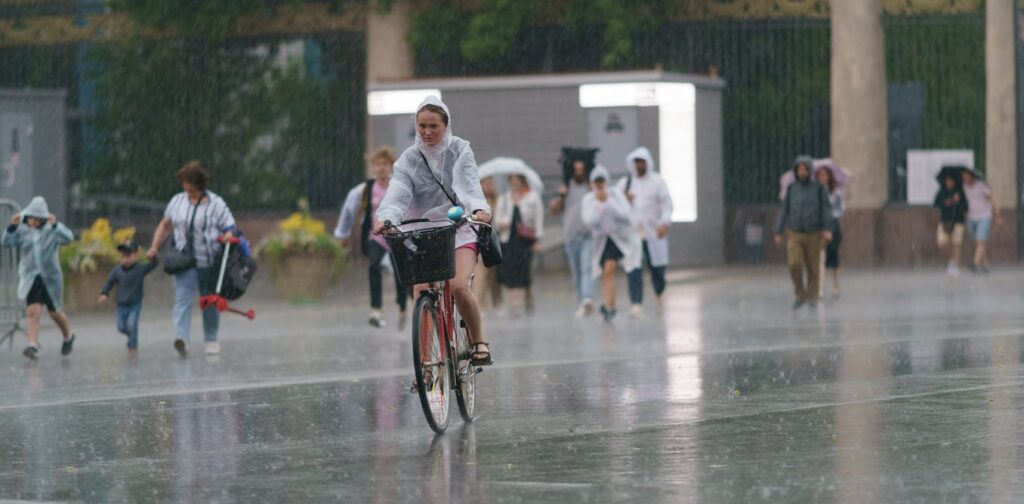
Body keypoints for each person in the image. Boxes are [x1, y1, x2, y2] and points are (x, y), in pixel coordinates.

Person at [374, 96, 493, 366]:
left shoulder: (460, 150)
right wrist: (387, 217)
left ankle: (479, 341)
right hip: (422, 231)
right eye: (422, 126)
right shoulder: (409, 159)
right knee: (421, 291)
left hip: (459, 227)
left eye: (434, 126)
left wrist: (478, 208)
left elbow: (469, 183)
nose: (427, 132)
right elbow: (398, 192)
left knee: (459, 285)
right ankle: (426, 362)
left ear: (446, 125)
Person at [147, 160, 236, 357]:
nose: (184, 185)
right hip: (183, 260)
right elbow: (165, 224)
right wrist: (154, 246)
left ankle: (211, 339)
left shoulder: (216, 203)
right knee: (182, 299)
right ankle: (182, 338)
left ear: (197, 183)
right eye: (183, 181)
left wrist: (229, 234)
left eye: (187, 181)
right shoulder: (177, 201)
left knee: (209, 300)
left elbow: (229, 225)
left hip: (208, 260)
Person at [335, 147, 408, 329]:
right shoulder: (364, 190)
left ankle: (403, 307)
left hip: (396, 235)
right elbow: (349, 212)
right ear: (373, 168)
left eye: (385, 164)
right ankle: (376, 309)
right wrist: (343, 234)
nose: (381, 168)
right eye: (377, 165)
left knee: (401, 274)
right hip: (375, 236)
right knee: (373, 266)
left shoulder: (398, 187)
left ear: (390, 166)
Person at [2, 196, 76, 360]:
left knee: (55, 313)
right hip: (31, 277)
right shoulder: (22, 230)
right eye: (31, 218)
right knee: (32, 311)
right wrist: (12, 227)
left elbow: (69, 238)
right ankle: (33, 345)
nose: (33, 222)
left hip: (50, 278)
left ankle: (67, 337)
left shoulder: (52, 230)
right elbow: (6, 242)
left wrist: (56, 225)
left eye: (38, 219)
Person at [617, 147, 673, 317]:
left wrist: (664, 223)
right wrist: (624, 200)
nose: (639, 166)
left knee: (656, 267)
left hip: (653, 233)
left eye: (642, 162)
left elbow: (667, 205)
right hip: (633, 234)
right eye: (636, 162)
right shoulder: (625, 183)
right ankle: (636, 302)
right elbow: (615, 205)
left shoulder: (657, 182)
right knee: (633, 267)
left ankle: (659, 290)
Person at [582, 166, 641, 323]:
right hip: (601, 240)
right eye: (596, 181)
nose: (599, 184)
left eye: (602, 181)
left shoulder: (615, 195)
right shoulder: (588, 199)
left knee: (609, 268)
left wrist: (607, 201)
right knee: (607, 272)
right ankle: (611, 305)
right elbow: (589, 221)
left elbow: (625, 215)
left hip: (618, 238)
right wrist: (599, 206)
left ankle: (608, 304)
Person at [774, 156, 833, 309]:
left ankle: (812, 296)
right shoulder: (792, 188)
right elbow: (784, 210)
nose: (802, 172)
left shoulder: (819, 188)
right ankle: (799, 294)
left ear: (809, 170)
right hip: (794, 232)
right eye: (799, 169)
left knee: (813, 268)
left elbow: (826, 210)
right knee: (795, 263)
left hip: (813, 233)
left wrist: (827, 228)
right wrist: (778, 230)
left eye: (805, 169)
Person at [550, 158, 595, 317]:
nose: (579, 173)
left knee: (586, 268)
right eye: (576, 170)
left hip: (588, 235)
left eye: (582, 170)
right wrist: (561, 196)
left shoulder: (591, 187)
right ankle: (583, 301)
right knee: (576, 272)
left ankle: (587, 299)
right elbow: (554, 210)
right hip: (570, 236)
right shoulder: (566, 188)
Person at [99, 239, 159, 355]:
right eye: (123, 256)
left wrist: (152, 257)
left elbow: (154, 265)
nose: (125, 259)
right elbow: (109, 282)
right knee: (121, 327)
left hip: (135, 303)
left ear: (135, 256)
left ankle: (132, 346)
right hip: (121, 304)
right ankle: (132, 336)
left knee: (132, 324)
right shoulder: (117, 271)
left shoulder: (140, 269)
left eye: (128, 255)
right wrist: (104, 293)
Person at [495, 174, 544, 316]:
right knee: (510, 272)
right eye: (512, 181)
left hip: (525, 241)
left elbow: (538, 219)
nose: (515, 183)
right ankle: (514, 304)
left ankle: (528, 295)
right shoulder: (504, 198)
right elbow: (497, 220)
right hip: (508, 240)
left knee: (525, 271)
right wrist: (505, 222)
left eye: (518, 181)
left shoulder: (532, 197)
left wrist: (538, 240)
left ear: (523, 181)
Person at [473, 176, 503, 311]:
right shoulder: (477, 203)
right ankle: (480, 304)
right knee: (481, 275)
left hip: (496, 240)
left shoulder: (499, 201)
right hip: (482, 241)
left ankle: (497, 302)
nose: (489, 186)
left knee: (495, 276)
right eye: (486, 184)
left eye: (491, 183)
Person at [961, 170, 1000, 273]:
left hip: (984, 216)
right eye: (963, 177)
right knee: (978, 242)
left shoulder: (981, 186)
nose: (965, 179)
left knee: (980, 240)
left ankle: (975, 263)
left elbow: (992, 199)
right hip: (971, 217)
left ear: (971, 176)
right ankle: (986, 264)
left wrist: (997, 215)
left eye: (966, 176)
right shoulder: (964, 187)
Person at [815, 166, 844, 298]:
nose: (822, 178)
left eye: (825, 175)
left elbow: (840, 209)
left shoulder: (836, 193)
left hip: (833, 225)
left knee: (833, 256)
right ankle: (820, 287)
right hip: (819, 226)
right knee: (820, 256)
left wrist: (830, 216)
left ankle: (835, 282)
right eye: (820, 175)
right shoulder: (814, 192)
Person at [934, 174, 968, 276]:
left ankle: (955, 266)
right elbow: (936, 203)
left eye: (951, 181)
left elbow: (965, 206)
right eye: (948, 181)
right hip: (945, 221)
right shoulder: (942, 191)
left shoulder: (960, 192)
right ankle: (951, 261)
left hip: (958, 221)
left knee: (956, 244)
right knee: (942, 243)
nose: (949, 183)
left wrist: (958, 201)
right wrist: (947, 202)